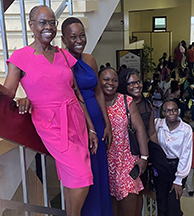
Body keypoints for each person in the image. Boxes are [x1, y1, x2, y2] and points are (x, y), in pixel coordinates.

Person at [0, 6, 99, 216]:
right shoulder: (20, 57)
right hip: (50, 123)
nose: (48, 27)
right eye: (43, 22)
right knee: (81, 177)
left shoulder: (64, 55)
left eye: (51, 23)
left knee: (72, 178)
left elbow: (77, 95)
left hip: (76, 120)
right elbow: (9, 93)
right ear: (31, 25)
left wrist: (91, 129)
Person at [61, 17, 113, 216]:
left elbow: (99, 92)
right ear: (64, 39)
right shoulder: (63, 62)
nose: (79, 40)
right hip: (78, 125)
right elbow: (74, 94)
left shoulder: (90, 59)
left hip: (97, 123)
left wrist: (106, 123)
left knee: (100, 171)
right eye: (73, 37)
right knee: (85, 174)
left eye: (81, 35)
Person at [118, 68, 172, 215]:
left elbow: (152, 132)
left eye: (138, 82)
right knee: (125, 194)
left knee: (140, 190)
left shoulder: (147, 104)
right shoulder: (119, 105)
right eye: (131, 84)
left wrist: (153, 156)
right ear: (124, 85)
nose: (137, 86)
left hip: (142, 155)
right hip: (124, 154)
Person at [98, 67, 148, 216]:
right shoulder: (93, 102)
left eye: (114, 80)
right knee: (111, 208)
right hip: (103, 162)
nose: (110, 83)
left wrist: (144, 157)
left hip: (126, 161)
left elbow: (140, 129)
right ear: (98, 81)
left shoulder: (126, 101)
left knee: (129, 204)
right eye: (106, 79)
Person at [155, 99, 193, 216]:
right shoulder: (158, 125)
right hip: (161, 167)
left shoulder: (186, 129)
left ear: (178, 111)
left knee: (173, 203)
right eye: (167, 111)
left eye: (174, 110)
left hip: (177, 167)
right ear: (163, 112)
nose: (171, 113)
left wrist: (179, 180)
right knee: (161, 203)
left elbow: (186, 155)